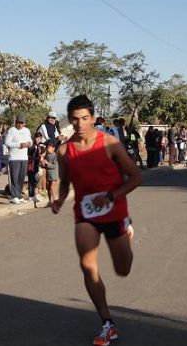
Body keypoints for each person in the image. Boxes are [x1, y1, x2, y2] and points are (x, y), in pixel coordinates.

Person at [52, 95, 141, 346]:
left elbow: (135, 177)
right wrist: (60, 200)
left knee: (123, 269)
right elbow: (66, 181)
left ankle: (127, 226)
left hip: (114, 210)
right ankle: (107, 322)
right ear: (69, 121)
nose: (80, 124)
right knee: (87, 265)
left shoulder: (110, 143)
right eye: (75, 119)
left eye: (85, 118)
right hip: (85, 213)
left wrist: (112, 195)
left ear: (92, 118)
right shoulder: (64, 150)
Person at [4, 115, 32, 205]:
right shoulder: (12, 130)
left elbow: (30, 141)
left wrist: (28, 144)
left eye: (22, 123)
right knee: (14, 177)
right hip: (14, 158)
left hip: (24, 158)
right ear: (16, 122)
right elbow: (7, 142)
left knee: (21, 178)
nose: (20, 125)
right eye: (18, 123)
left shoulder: (27, 130)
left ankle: (19, 195)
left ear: (24, 123)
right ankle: (14, 196)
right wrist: (19, 145)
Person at [27, 132, 45, 207]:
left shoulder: (39, 146)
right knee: (31, 180)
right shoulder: (32, 146)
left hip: (36, 165)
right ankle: (31, 195)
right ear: (34, 138)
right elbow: (29, 156)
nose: (38, 140)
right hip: (31, 165)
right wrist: (38, 158)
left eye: (39, 138)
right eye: (37, 138)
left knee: (35, 180)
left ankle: (34, 194)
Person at [41, 139, 59, 207]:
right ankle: (50, 201)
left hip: (54, 174)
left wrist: (47, 163)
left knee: (52, 188)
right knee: (48, 188)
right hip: (48, 174)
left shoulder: (55, 156)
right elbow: (44, 165)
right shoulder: (46, 155)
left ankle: (55, 201)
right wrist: (42, 164)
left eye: (49, 148)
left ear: (53, 148)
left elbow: (54, 166)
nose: (48, 149)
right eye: (47, 148)